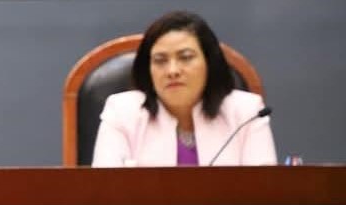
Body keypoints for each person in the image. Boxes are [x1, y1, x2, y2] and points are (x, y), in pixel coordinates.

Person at [92, 11, 277, 167]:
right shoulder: (122, 112)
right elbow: (103, 190)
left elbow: (265, 190)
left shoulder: (246, 112)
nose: (172, 71)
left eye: (186, 57)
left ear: (209, 62)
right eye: (160, 60)